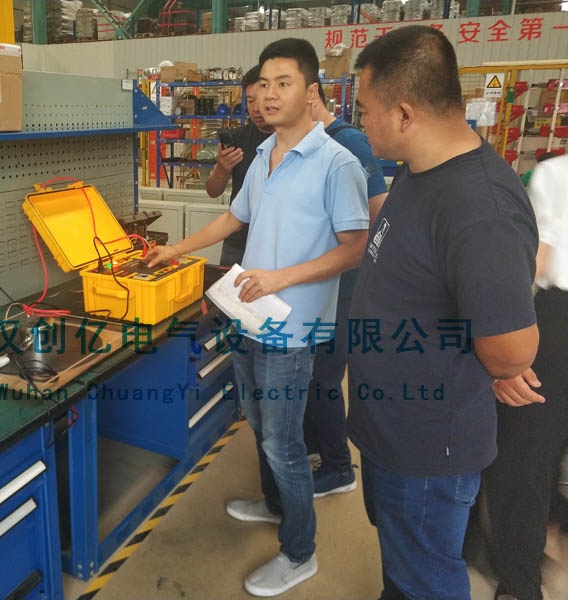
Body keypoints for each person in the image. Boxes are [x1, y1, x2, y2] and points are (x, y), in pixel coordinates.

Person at [147, 38, 368, 597]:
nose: (269, 94)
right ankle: (274, 504)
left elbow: (354, 249)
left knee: (283, 443)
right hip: (250, 317)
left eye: (283, 83)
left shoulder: (337, 163)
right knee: (258, 421)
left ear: (311, 91)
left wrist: (280, 278)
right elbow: (232, 219)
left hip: (291, 329)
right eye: (263, 84)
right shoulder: (264, 154)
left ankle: (300, 553)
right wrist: (175, 251)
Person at [346, 25, 539, 599]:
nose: (361, 121)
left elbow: (512, 351)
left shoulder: (480, 207)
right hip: (392, 428)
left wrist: (497, 362)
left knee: (427, 576)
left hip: (429, 446)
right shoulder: (419, 170)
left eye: (365, 109)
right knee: (405, 564)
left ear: (404, 113)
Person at [483, 152, 568, 600]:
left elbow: (536, 262)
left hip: (559, 325)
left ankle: (519, 583)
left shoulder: (555, 173)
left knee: (525, 456)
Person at [303, 85, 388, 498]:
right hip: (316, 284)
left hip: (344, 285)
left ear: (309, 93)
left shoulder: (348, 143)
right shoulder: (305, 145)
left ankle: (339, 468)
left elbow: (379, 215)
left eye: (281, 86)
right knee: (311, 375)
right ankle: (314, 448)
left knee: (324, 377)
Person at [206, 65, 274, 267]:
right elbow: (212, 191)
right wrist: (222, 169)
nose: (256, 109)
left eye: (261, 100)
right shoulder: (238, 138)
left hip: (274, 246)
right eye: (250, 101)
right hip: (237, 244)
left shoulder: (292, 141)